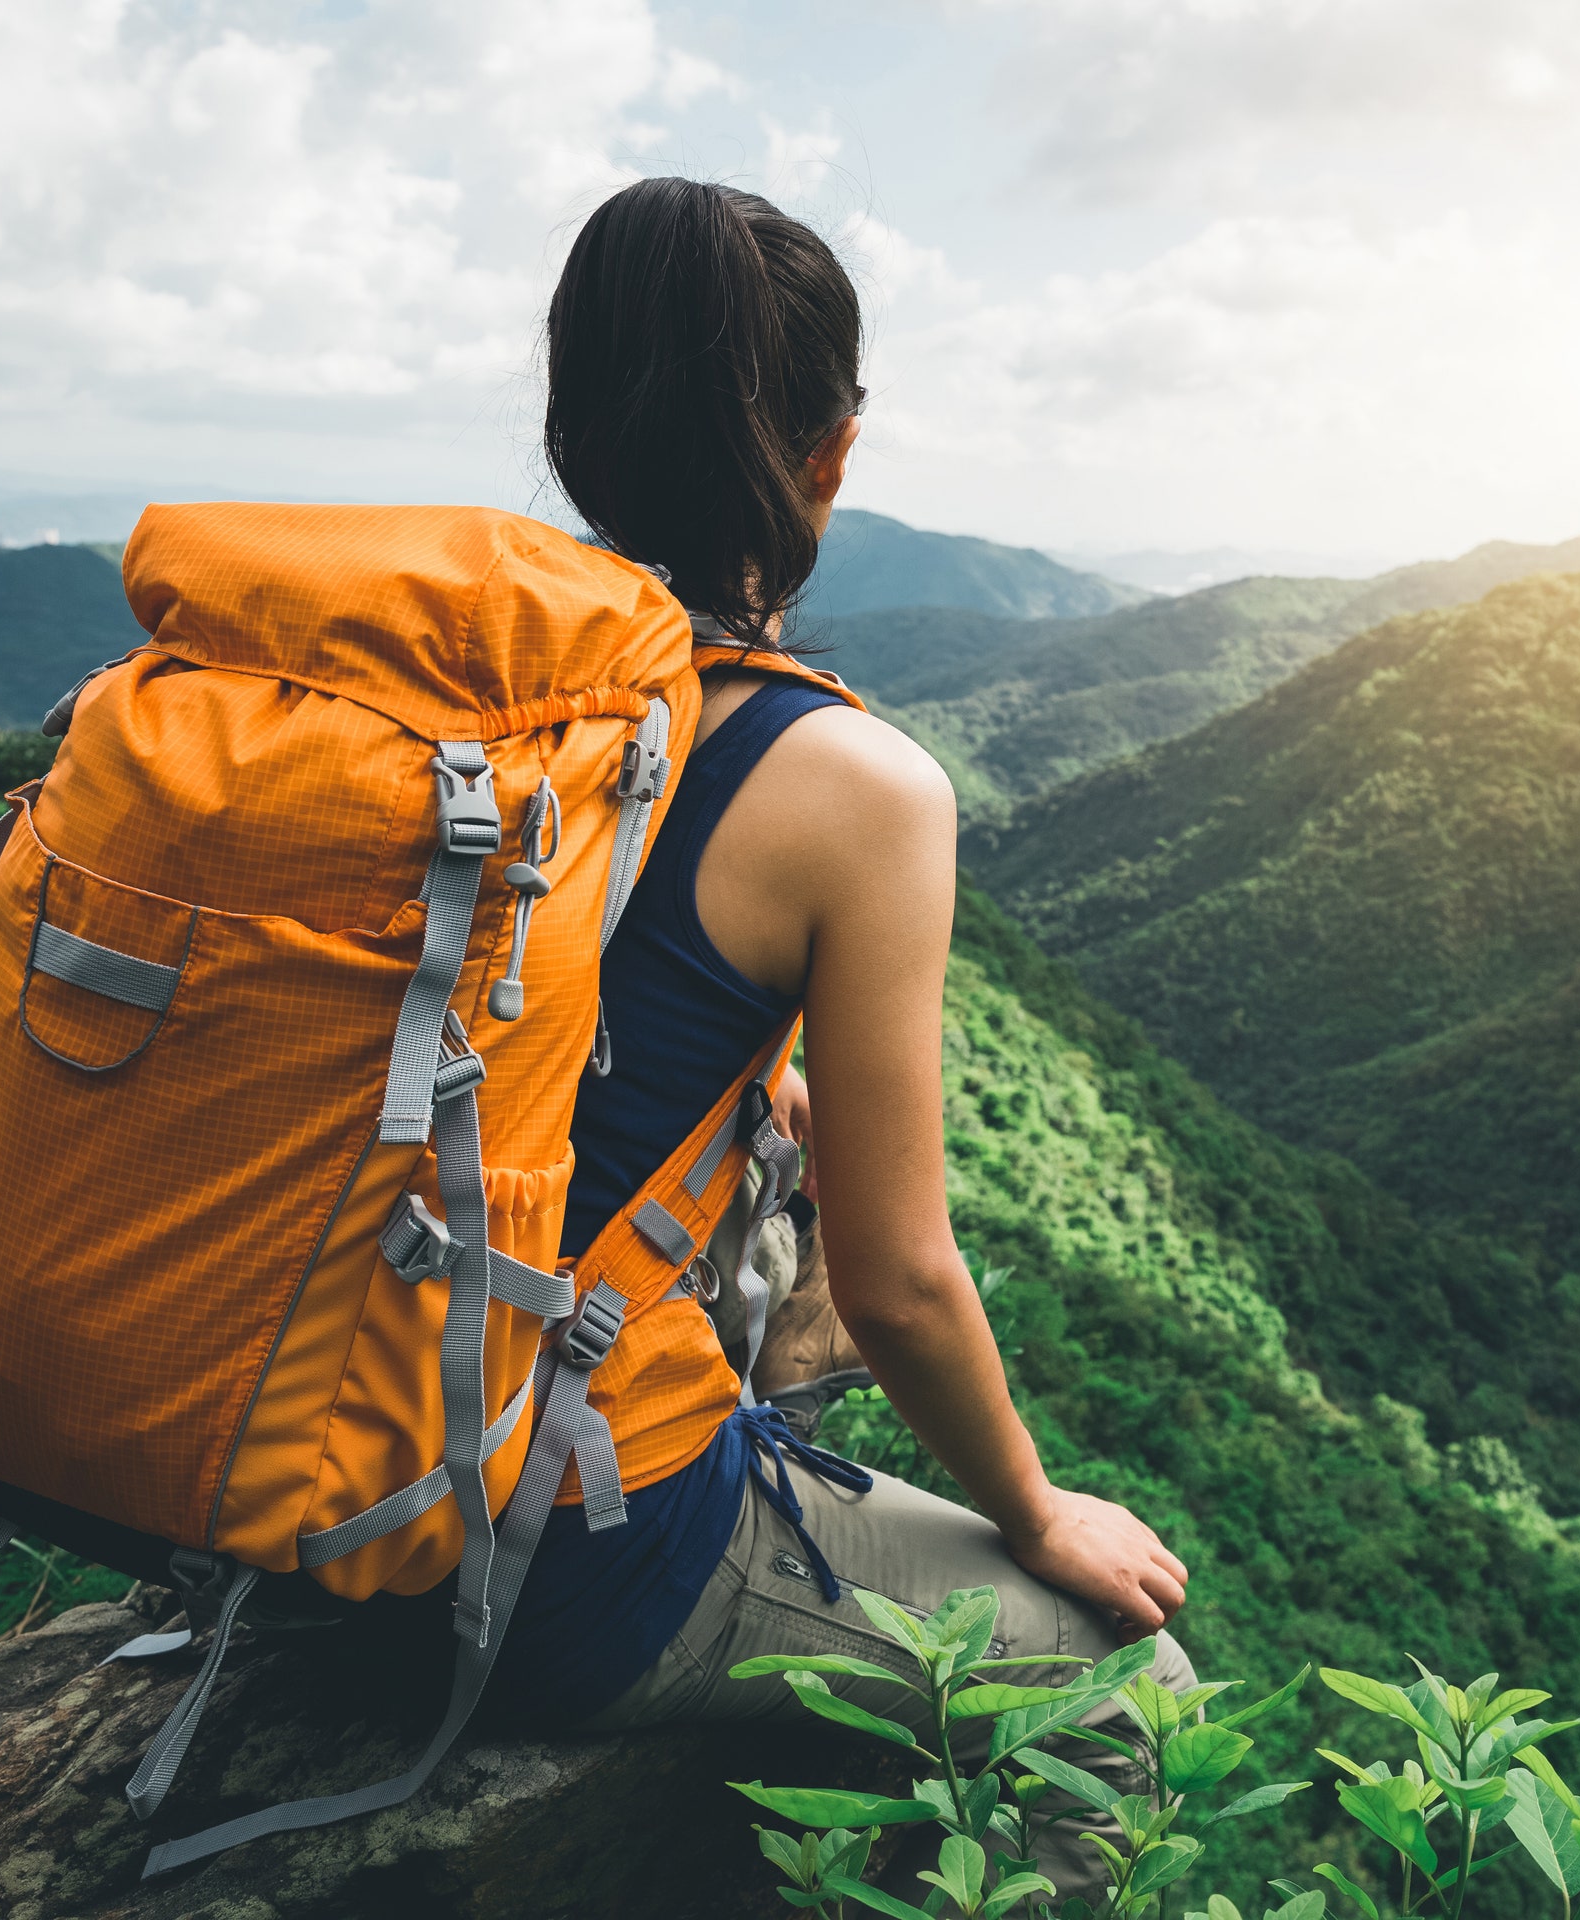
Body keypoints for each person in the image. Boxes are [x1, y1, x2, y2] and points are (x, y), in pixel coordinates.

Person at [483, 177, 1193, 1900]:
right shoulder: (849, 785)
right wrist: (1034, 1514)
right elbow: (907, 1284)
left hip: (301, 1453)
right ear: (835, 454)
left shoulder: (463, 684)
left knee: (780, 1147)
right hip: (548, 1546)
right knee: (1135, 1690)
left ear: (571, 433)